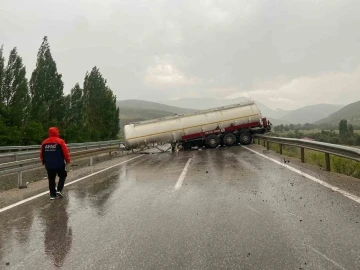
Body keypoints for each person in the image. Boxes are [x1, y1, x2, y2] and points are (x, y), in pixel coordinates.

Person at [40, 127, 70, 200]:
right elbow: (65, 152)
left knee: (51, 179)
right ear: (57, 132)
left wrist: (43, 161)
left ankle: (52, 195)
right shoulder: (60, 141)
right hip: (59, 164)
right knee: (63, 175)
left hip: (49, 165)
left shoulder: (44, 142)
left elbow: (41, 154)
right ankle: (59, 190)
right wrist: (68, 160)